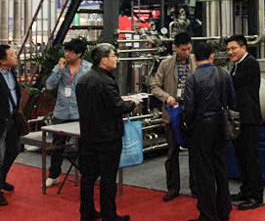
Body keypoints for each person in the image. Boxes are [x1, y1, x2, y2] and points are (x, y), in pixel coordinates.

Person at [76, 43, 140, 221]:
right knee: (108, 178)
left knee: (88, 178)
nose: (117, 59)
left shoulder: (83, 79)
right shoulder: (106, 81)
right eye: (114, 56)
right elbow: (117, 107)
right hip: (107, 138)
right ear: (104, 60)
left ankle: (87, 212)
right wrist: (133, 103)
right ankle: (109, 215)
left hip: (88, 136)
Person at [183, 43, 234, 221]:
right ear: (212, 56)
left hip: (201, 127)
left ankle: (207, 214)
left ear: (194, 58)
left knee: (204, 172)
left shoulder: (192, 78)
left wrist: (188, 125)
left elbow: (189, 108)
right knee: (221, 167)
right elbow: (232, 99)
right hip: (220, 125)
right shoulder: (223, 73)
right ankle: (224, 210)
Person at [150, 32, 198, 201]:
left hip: (192, 114)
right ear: (175, 48)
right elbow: (154, 86)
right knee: (172, 153)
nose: (186, 52)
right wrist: (167, 97)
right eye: (183, 49)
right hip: (172, 114)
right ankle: (173, 187)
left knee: (195, 153)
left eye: (189, 49)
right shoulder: (166, 64)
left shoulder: (196, 62)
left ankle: (196, 186)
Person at [44, 38, 92, 187]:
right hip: (61, 112)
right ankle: (54, 174)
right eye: (66, 51)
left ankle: (86, 176)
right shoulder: (60, 66)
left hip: (79, 112)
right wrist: (58, 69)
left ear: (79, 54)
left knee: (84, 146)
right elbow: (49, 85)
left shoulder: (88, 68)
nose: (66, 54)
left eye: (70, 52)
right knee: (57, 146)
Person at [226, 35, 264, 210]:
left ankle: (256, 196)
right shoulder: (237, 65)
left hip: (249, 119)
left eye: (234, 48)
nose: (230, 52)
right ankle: (246, 190)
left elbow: (233, 84)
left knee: (250, 158)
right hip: (239, 118)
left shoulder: (250, 63)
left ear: (243, 47)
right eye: (228, 49)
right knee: (241, 157)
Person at [0, 45, 20, 207]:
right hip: (1, 121)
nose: (16, 57)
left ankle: (1, 179)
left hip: (12, 119)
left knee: (13, 149)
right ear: (2, 60)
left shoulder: (11, 72)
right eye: (12, 55)